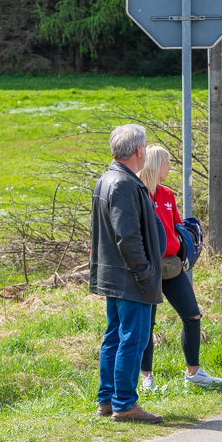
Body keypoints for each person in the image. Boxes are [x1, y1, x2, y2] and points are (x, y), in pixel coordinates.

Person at [89, 124, 165, 424]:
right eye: (144, 146)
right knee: (132, 339)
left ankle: (107, 400)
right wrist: (145, 272)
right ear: (138, 150)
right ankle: (124, 403)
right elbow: (127, 236)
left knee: (114, 337)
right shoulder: (123, 183)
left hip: (114, 275)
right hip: (130, 277)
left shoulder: (106, 179)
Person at [137, 146, 222, 389]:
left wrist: (182, 244)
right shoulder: (138, 193)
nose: (170, 167)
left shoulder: (167, 194)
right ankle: (146, 379)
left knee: (192, 315)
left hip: (172, 266)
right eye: (167, 163)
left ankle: (193, 373)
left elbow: (176, 225)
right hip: (148, 269)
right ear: (154, 164)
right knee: (147, 324)